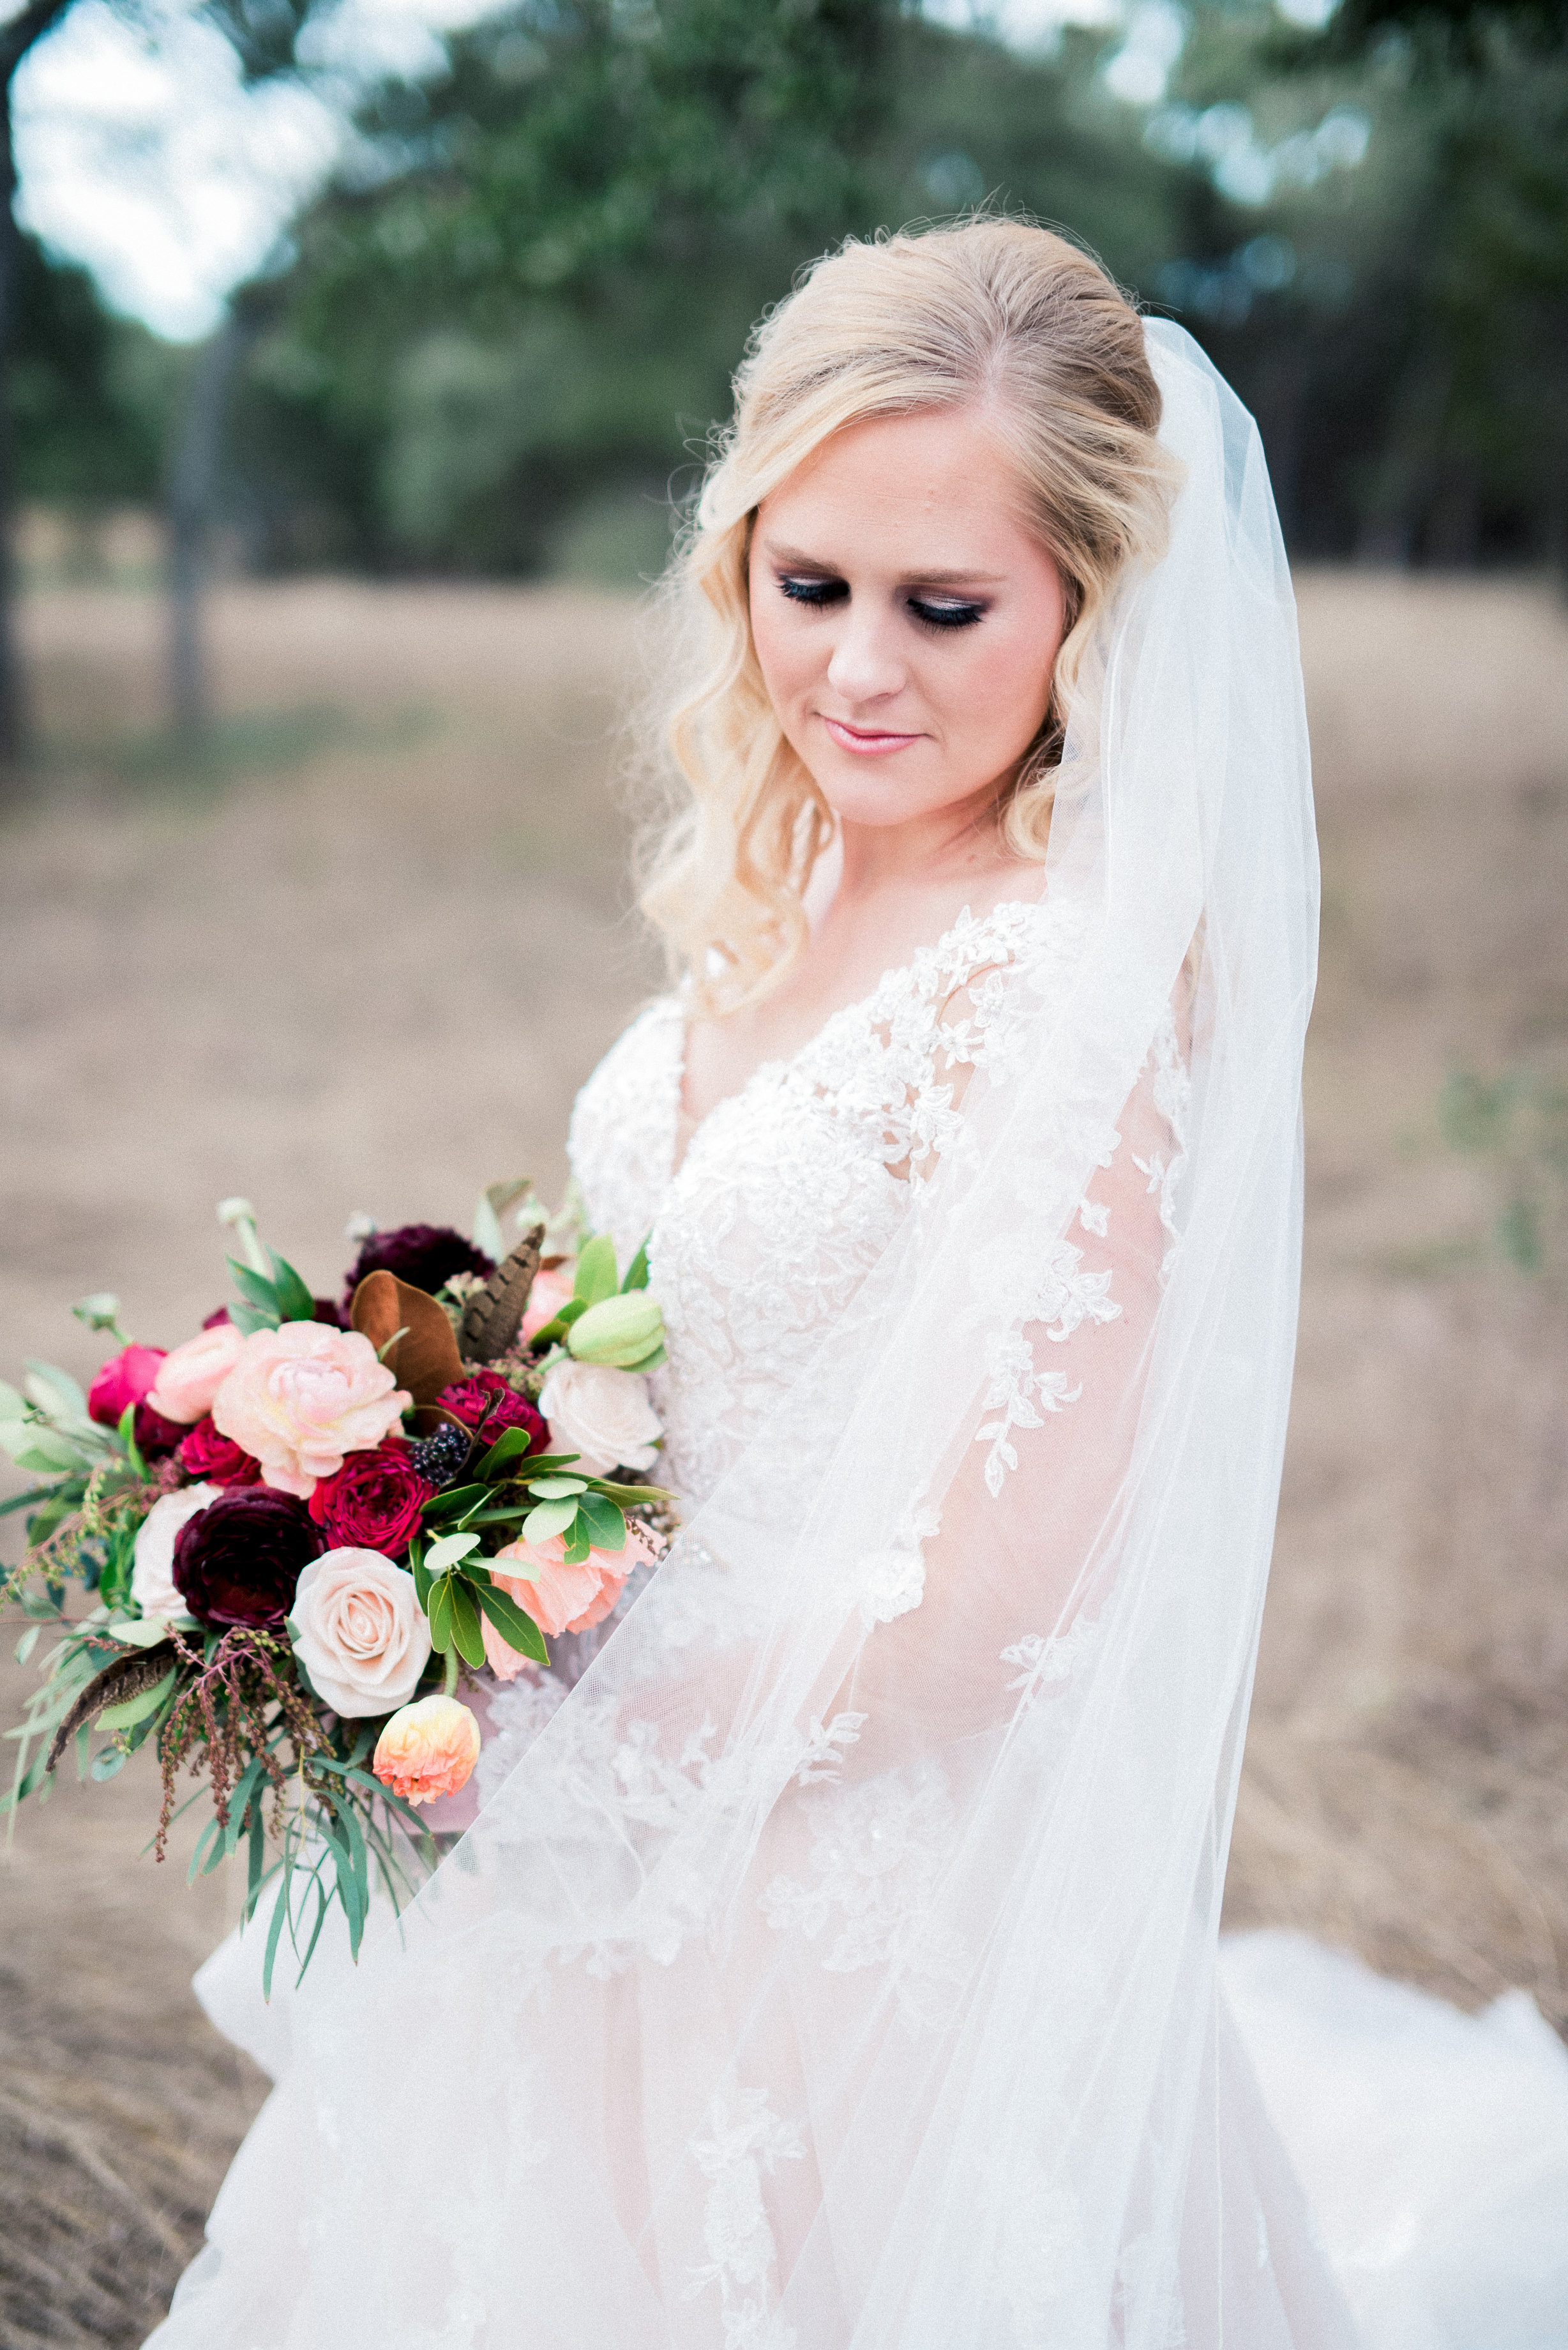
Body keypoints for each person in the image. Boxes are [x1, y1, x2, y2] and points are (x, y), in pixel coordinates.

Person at [149, 220, 1568, 2350]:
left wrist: (555, 1721)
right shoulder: (786, 868)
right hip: (615, 1838)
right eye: (809, 586)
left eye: (946, 606)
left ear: (1090, 607)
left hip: (849, 1913)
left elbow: (1007, 1598)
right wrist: (413, 1486)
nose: (857, 672)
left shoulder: (1066, 982)